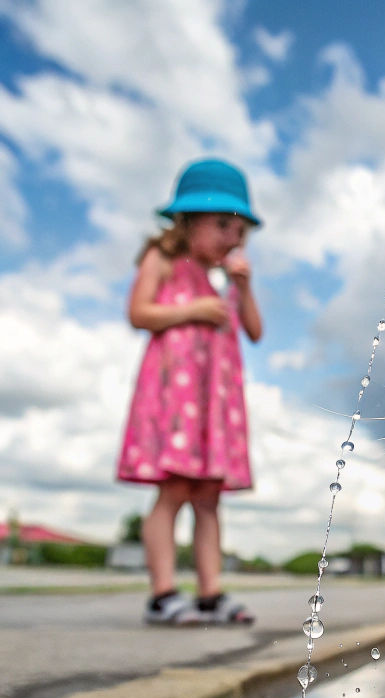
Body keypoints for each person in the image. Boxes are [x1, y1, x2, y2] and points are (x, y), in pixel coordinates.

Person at [116, 158, 264, 625]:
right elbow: (139, 314)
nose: (233, 238)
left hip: (213, 404)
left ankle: (210, 592)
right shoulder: (164, 260)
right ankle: (163, 593)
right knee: (173, 488)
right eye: (223, 224)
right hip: (174, 399)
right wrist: (192, 309)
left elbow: (255, 331)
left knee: (208, 496)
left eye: (240, 230)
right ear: (187, 219)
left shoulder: (228, 281)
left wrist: (245, 288)